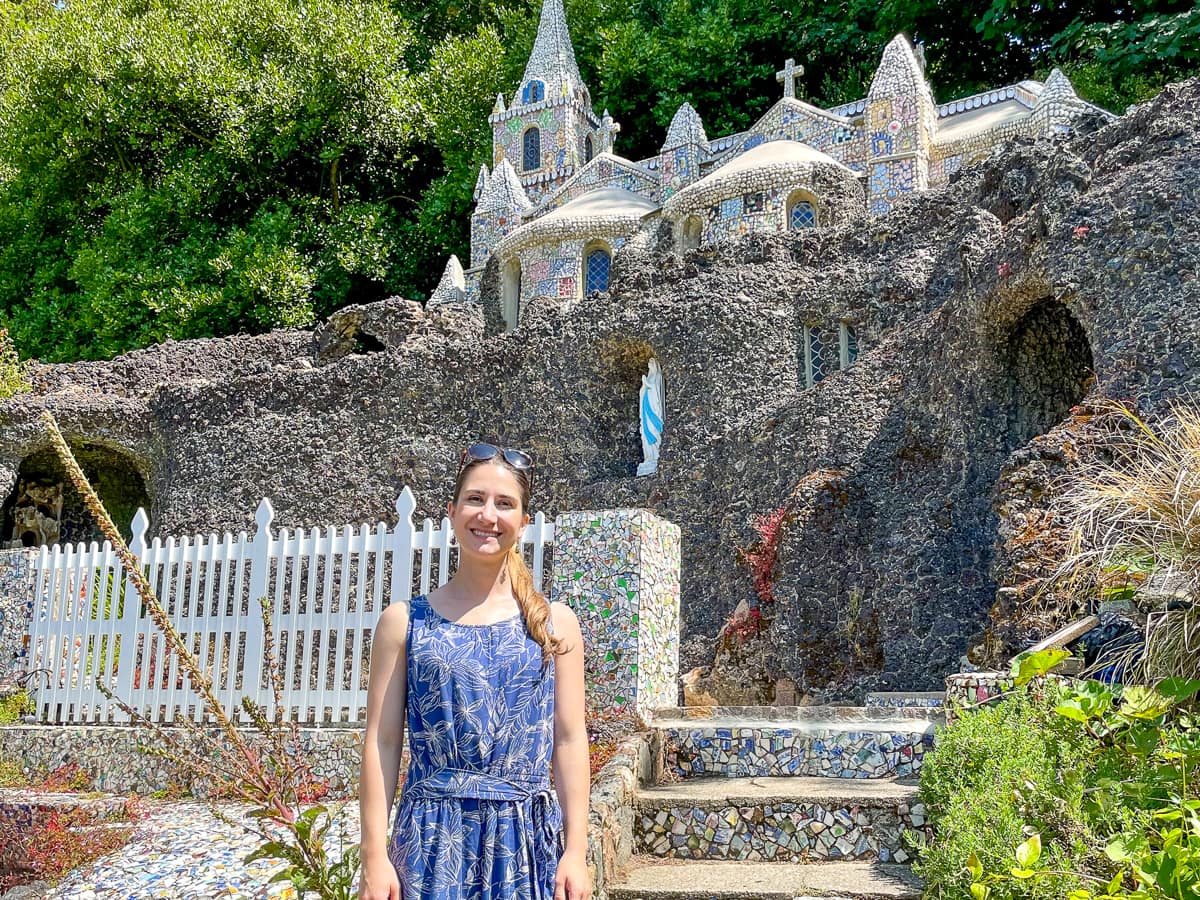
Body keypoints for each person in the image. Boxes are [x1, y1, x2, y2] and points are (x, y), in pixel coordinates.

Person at [359, 443, 591, 900]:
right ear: (452, 512)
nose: (488, 514)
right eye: (475, 499)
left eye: (505, 504)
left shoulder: (552, 624)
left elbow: (569, 739)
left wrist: (576, 852)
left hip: (526, 844)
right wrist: (373, 857)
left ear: (524, 522)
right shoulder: (404, 623)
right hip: (429, 842)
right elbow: (381, 742)